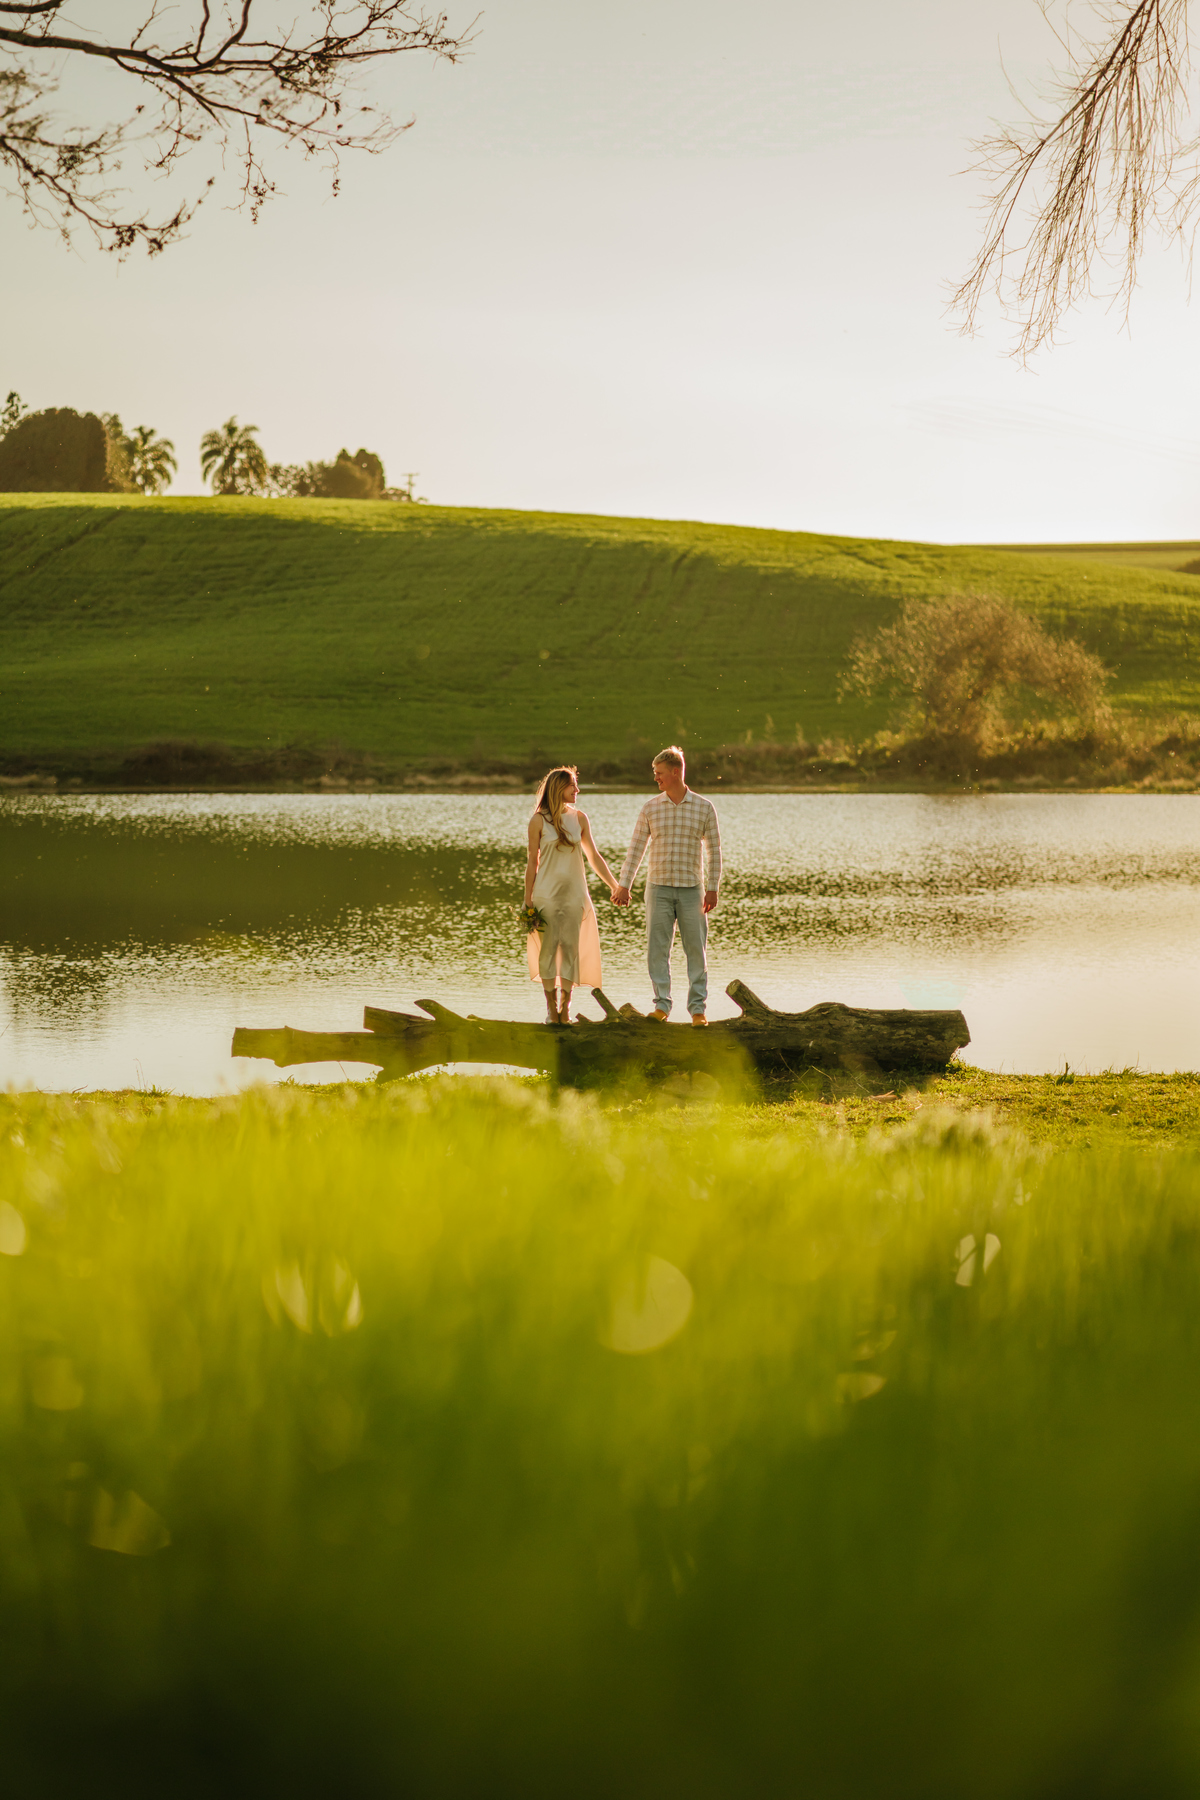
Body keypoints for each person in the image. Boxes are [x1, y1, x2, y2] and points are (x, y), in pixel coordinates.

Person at [611, 746, 721, 1026]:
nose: (656, 778)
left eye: (659, 773)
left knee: (696, 951)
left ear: (675, 772)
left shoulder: (704, 807)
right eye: (654, 773)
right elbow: (636, 849)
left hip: (692, 890)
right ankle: (662, 1006)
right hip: (657, 889)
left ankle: (697, 1010)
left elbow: (714, 851)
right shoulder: (650, 807)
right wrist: (624, 885)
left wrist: (712, 887)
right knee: (657, 950)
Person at [525, 766, 619, 1024]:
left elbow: (594, 856)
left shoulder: (580, 818)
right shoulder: (538, 821)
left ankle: (565, 1007)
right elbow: (532, 862)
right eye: (572, 785)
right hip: (545, 895)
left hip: (575, 894)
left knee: (570, 949)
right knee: (547, 950)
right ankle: (551, 1008)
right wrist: (527, 900)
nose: (577, 790)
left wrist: (614, 886)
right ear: (558, 788)